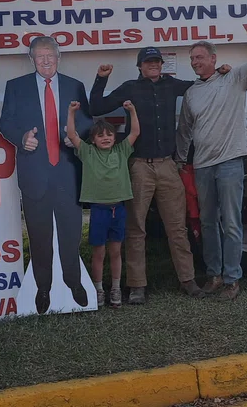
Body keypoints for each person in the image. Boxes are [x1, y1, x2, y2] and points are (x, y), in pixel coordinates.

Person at [89, 49, 232, 305]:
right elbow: (96, 107)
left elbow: (199, 84)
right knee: (136, 229)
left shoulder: (172, 85)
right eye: (148, 62)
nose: (153, 66)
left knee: (177, 227)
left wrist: (220, 72)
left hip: (167, 165)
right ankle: (136, 286)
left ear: (161, 65)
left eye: (156, 62)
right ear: (140, 66)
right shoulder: (129, 87)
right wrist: (101, 78)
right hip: (139, 166)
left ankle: (188, 280)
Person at [176, 15, 247, 301]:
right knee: (207, 222)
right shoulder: (191, 93)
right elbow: (184, 130)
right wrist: (181, 160)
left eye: (200, 57)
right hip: (202, 165)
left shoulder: (235, 78)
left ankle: (232, 279)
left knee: (231, 221)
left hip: (230, 162)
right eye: (192, 58)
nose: (195, 61)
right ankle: (214, 275)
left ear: (214, 58)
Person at [0, 36, 93, 315]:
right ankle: (43, 288)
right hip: (35, 172)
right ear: (31, 60)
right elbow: (6, 121)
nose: (46, 61)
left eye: (50, 55)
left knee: (71, 232)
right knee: (39, 234)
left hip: (67, 172)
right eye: (40, 57)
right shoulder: (16, 87)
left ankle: (73, 282)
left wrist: (74, 136)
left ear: (59, 57)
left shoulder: (75, 85)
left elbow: (86, 119)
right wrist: (21, 137)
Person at [65, 99, 139, 308]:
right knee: (99, 252)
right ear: (93, 140)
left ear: (115, 138)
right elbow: (72, 135)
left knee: (116, 251)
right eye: (100, 136)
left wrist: (132, 111)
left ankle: (115, 288)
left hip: (119, 209)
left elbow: (134, 133)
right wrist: (71, 112)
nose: (105, 138)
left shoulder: (122, 151)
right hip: (99, 210)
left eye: (109, 135)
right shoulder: (88, 153)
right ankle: (98, 289)